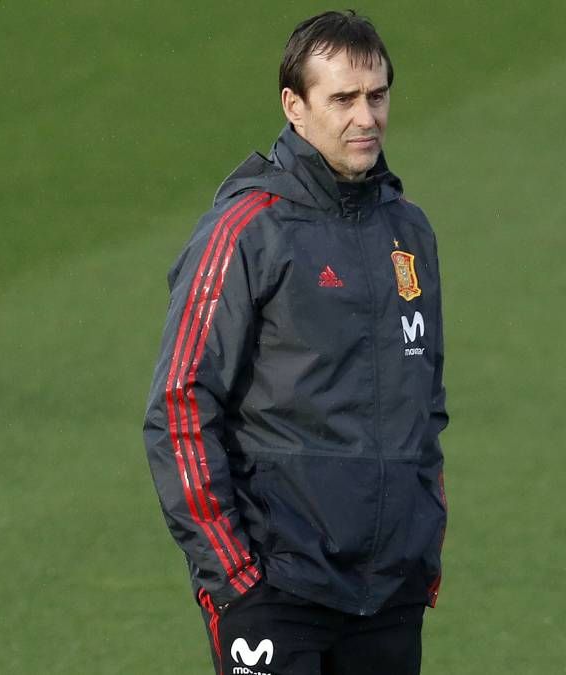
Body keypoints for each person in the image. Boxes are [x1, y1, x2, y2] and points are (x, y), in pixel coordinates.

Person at [142, 11, 447, 674]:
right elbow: (179, 405)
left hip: (389, 594)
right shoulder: (249, 229)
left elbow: (427, 404)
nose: (365, 117)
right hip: (278, 594)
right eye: (342, 99)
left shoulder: (409, 232)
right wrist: (233, 576)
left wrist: (425, 546)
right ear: (295, 106)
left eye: (376, 95)